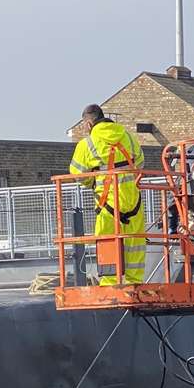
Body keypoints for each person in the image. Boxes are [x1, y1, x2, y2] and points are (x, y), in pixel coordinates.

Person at [69, 105, 146, 285]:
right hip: (133, 199)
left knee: (107, 239)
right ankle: (135, 282)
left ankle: (110, 283)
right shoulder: (128, 136)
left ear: (88, 124)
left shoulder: (87, 143)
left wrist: (94, 182)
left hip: (108, 201)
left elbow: (77, 173)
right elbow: (140, 162)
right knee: (135, 242)